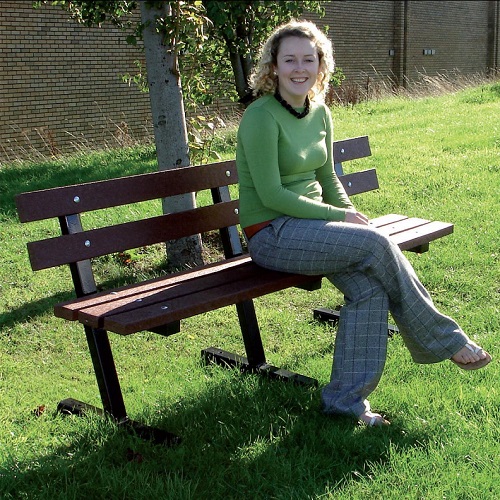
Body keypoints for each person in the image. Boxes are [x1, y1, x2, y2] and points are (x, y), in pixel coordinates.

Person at [235, 19, 492, 426]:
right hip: (272, 234)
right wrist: (341, 218)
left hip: (316, 231)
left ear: (321, 64)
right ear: (273, 67)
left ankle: (344, 404)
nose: (299, 68)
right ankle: (444, 339)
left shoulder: (319, 112)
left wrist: (350, 214)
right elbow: (271, 196)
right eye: (289, 60)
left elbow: (327, 177)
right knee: (376, 245)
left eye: (308, 58)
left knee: (370, 290)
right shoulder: (260, 117)